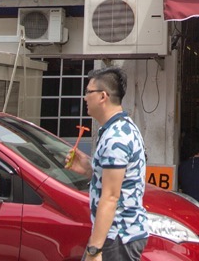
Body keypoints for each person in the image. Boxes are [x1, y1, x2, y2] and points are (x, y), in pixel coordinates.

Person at [67, 66, 148, 261]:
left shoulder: (116, 138)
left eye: (88, 92)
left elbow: (111, 197)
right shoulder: (121, 128)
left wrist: (94, 249)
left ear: (103, 96)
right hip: (116, 234)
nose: (85, 98)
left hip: (117, 235)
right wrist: (89, 169)